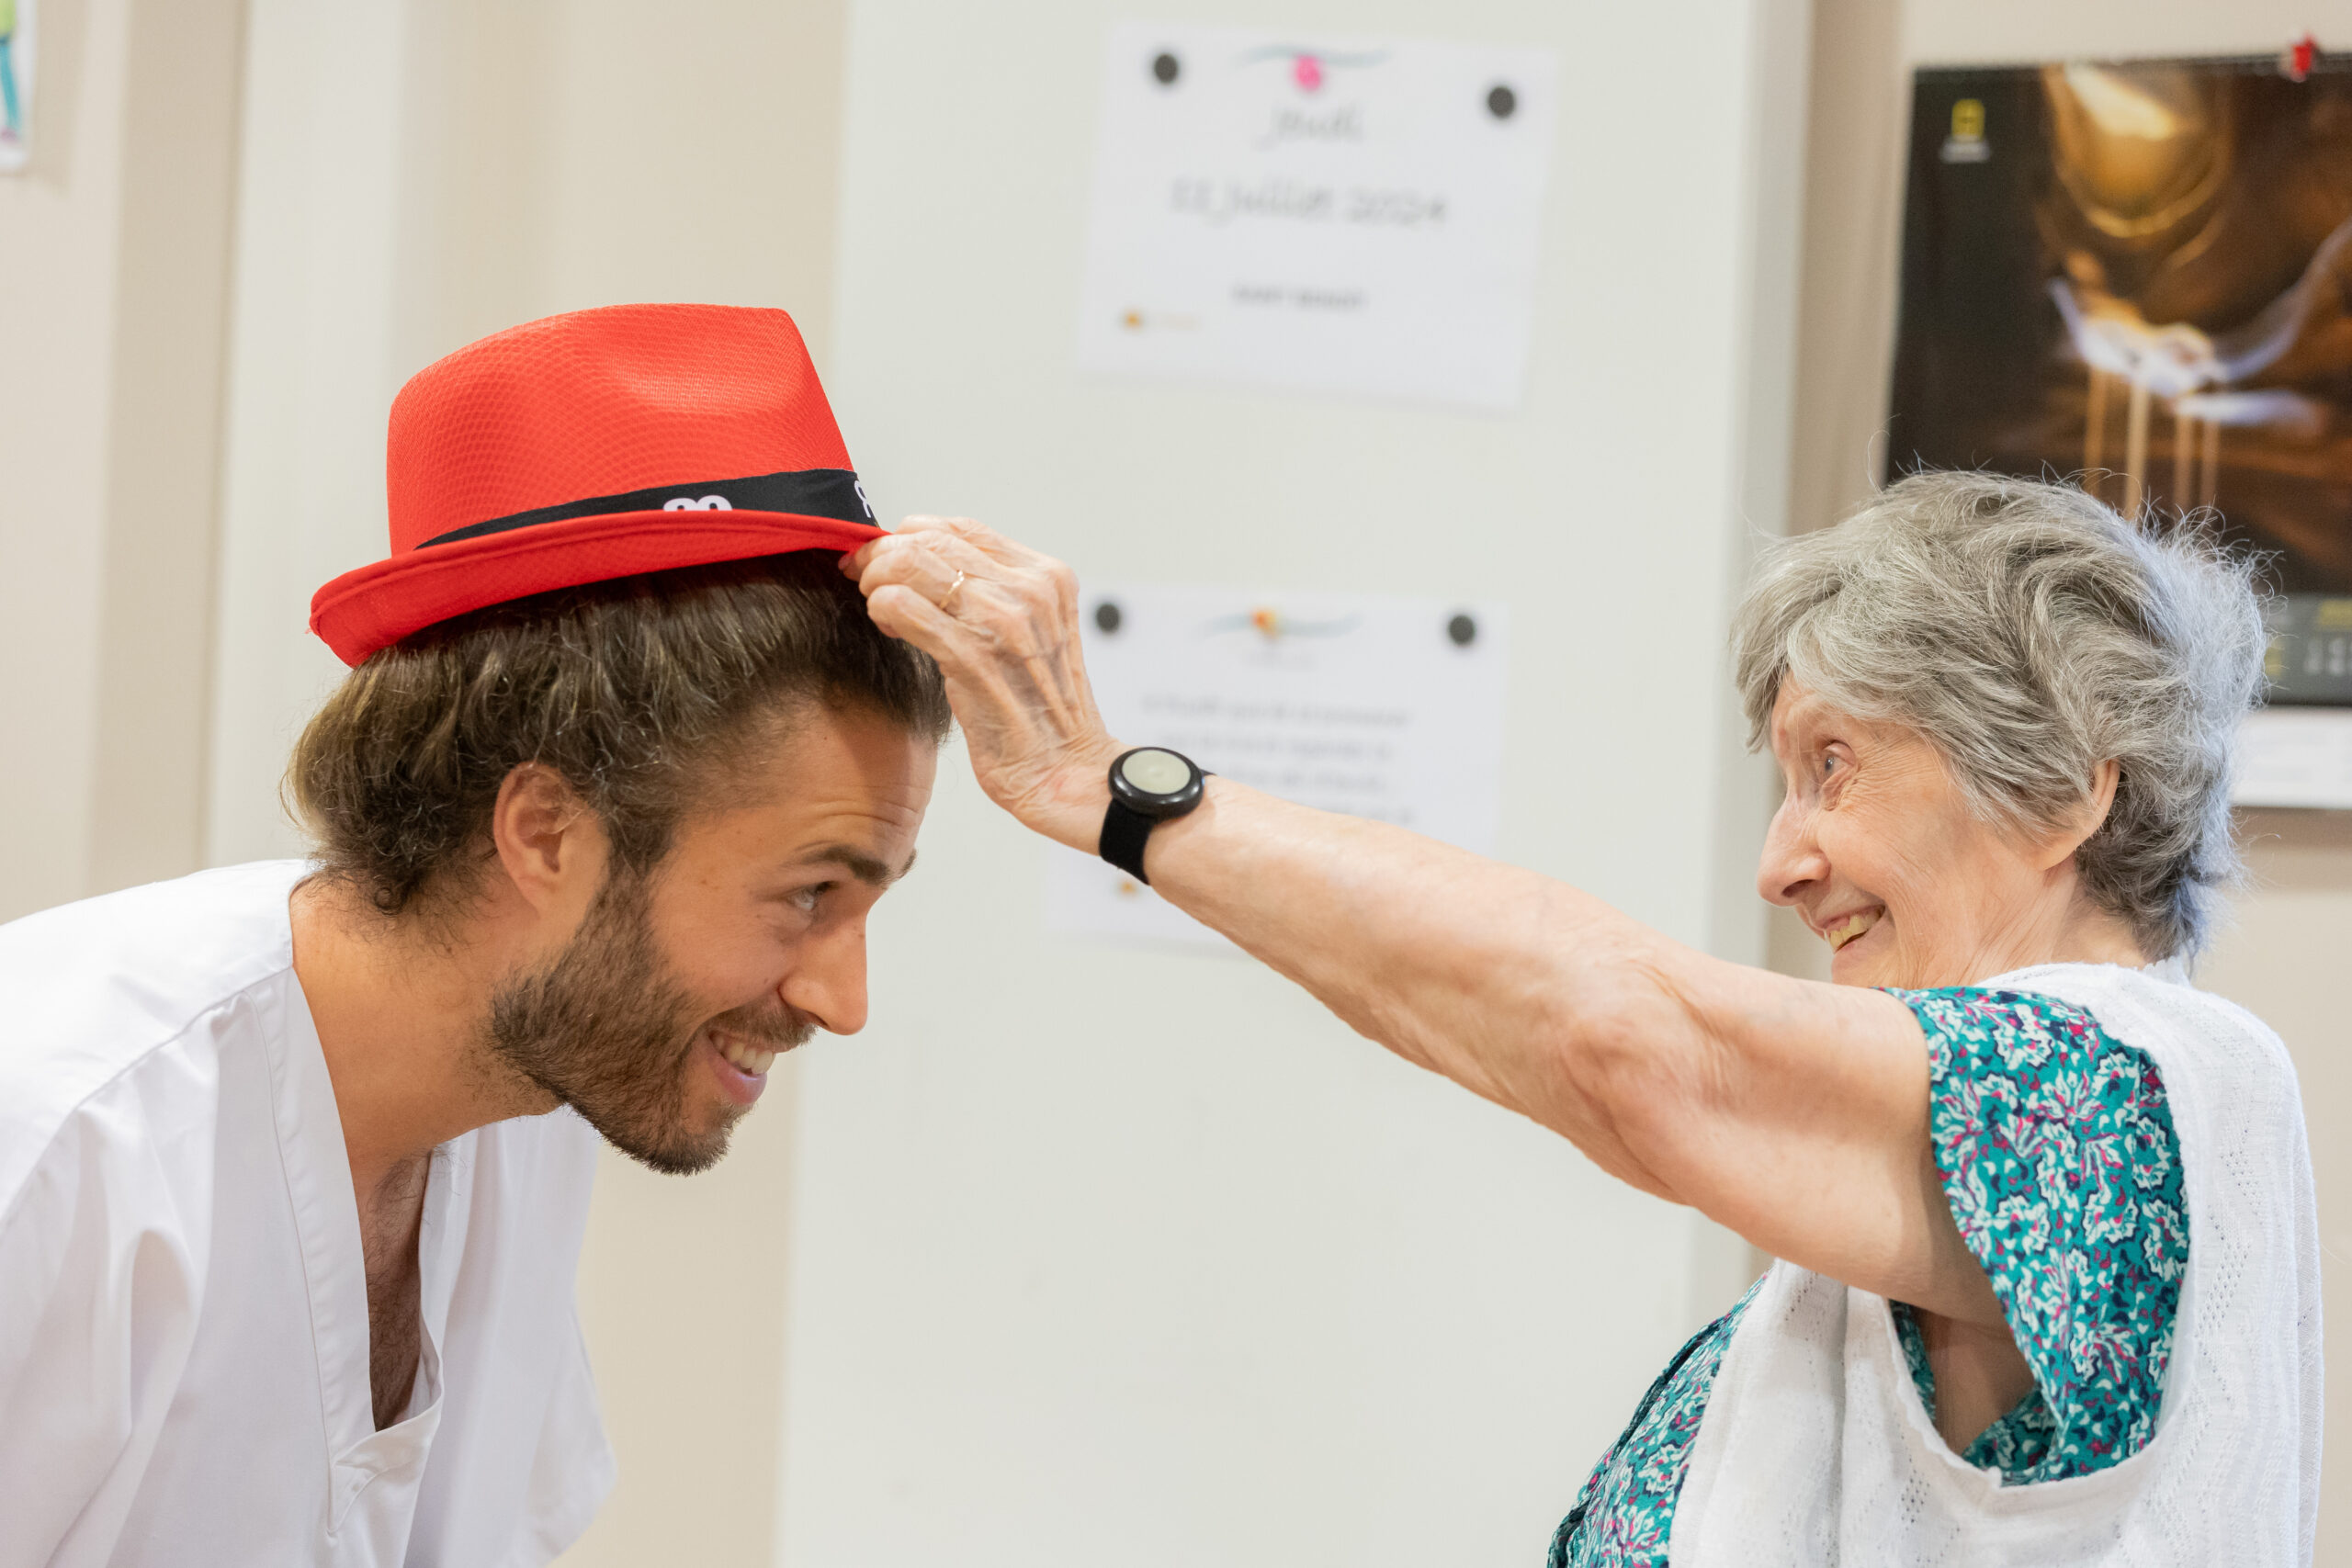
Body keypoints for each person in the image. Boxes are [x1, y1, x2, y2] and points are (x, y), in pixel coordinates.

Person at [847, 471, 2320, 1565]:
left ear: (2067, 788)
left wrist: (1107, 790)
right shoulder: (1971, 1165)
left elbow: (1623, 1049)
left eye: (1835, 766)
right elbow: (1481, 1018)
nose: (1780, 861)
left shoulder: (2135, 1093)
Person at [0, 304, 948, 1564]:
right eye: (809, 896)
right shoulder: (61, 1139)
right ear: (546, 832)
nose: (843, 999)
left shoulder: (529, 1100)